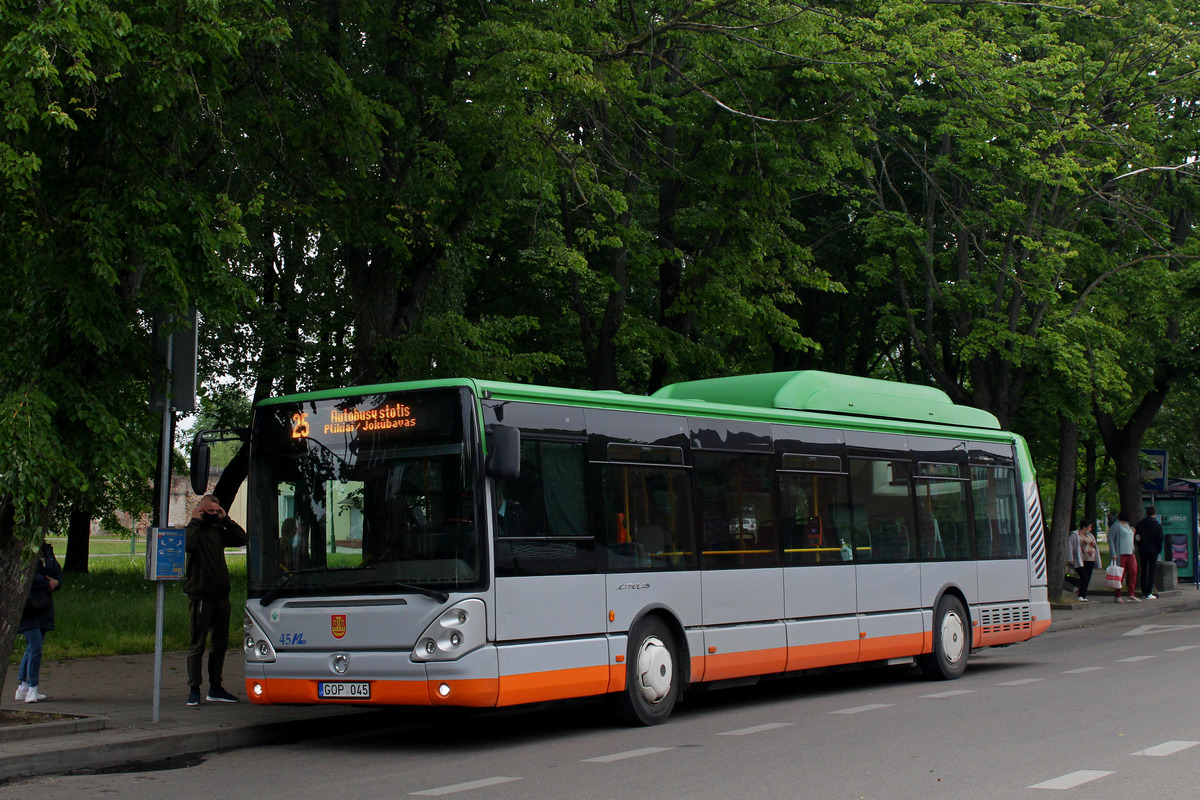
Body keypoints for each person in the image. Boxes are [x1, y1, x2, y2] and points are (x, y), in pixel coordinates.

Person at [184, 494, 248, 706]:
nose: (213, 515)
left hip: (221, 596)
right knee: (198, 644)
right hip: (201, 595)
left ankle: (216, 687)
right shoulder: (195, 530)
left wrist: (226, 519)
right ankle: (194, 688)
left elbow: (242, 539)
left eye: (215, 511)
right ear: (201, 511)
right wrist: (195, 521)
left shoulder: (219, 530)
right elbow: (189, 545)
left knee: (219, 645)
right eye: (209, 511)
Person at [14, 542, 63, 703]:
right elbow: (27, 576)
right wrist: (46, 582)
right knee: (35, 648)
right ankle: (32, 687)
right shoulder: (24, 549)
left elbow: (57, 571)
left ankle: (23, 685)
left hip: (44, 606)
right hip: (29, 606)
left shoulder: (47, 551)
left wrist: (56, 582)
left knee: (32, 647)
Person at [1107, 510, 1138, 604]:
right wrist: (1113, 552)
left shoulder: (1128, 526)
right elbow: (1111, 539)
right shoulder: (1116, 526)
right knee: (1120, 574)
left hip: (1130, 553)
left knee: (1133, 571)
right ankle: (1117, 595)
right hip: (1120, 554)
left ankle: (1131, 594)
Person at [1134, 506, 1164, 600]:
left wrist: (1139, 546)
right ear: (1154, 513)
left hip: (1143, 549)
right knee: (1151, 570)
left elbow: (1137, 537)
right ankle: (1148, 592)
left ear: (1146, 513)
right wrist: (1158, 549)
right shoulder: (1157, 525)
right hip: (1153, 550)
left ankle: (1143, 591)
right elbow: (1160, 539)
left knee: (1143, 569)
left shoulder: (1140, 524)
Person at [1066, 521, 1100, 601]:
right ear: (1084, 527)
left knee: (1088, 577)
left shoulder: (1090, 535)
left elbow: (1094, 545)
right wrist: (1070, 558)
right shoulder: (1075, 535)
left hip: (1090, 559)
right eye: (1089, 527)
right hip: (1080, 559)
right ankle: (1080, 594)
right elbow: (1070, 546)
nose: (1091, 529)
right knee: (1084, 576)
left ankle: (1083, 594)